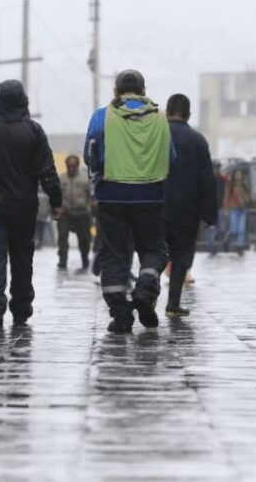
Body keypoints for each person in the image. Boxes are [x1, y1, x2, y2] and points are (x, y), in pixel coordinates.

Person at [0, 80, 63, 327]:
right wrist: (56, 200)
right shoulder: (33, 131)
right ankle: (21, 307)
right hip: (23, 207)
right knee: (21, 258)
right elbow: (47, 169)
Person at [84, 69, 173, 333]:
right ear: (143, 90)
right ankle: (145, 290)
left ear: (116, 90)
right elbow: (172, 157)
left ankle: (121, 315)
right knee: (154, 250)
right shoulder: (160, 118)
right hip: (150, 195)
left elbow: (90, 156)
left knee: (113, 255)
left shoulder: (102, 117)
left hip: (111, 196)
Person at [162, 94, 217, 318]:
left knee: (155, 252)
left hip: (157, 207)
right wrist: (209, 215)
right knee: (181, 256)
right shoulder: (198, 140)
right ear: (188, 114)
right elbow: (207, 179)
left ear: (166, 111)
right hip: (187, 211)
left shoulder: (156, 136)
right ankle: (173, 304)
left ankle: (147, 294)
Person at [57, 154, 94, 269]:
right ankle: (62, 260)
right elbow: (56, 195)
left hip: (82, 213)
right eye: (69, 166)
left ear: (77, 165)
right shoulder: (61, 178)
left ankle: (84, 259)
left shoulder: (85, 178)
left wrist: (90, 207)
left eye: (73, 166)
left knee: (84, 238)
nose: (71, 168)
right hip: (65, 212)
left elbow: (91, 195)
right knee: (62, 237)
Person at [223, 168, 252, 256]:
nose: (239, 176)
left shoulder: (245, 185)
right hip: (233, 209)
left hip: (243, 210)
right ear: (234, 176)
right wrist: (225, 210)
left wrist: (247, 199)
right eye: (237, 175)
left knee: (241, 230)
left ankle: (240, 248)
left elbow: (250, 196)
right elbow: (226, 197)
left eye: (240, 175)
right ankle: (227, 240)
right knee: (234, 229)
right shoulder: (230, 185)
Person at [207, 161, 228, 255]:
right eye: (215, 167)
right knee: (212, 228)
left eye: (218, 167)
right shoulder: (207, 179)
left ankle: (214, 246)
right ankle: (212, 248)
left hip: (220, 207)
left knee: (220, 228)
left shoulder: (223, 179)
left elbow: (227, 192)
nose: (216, 169)